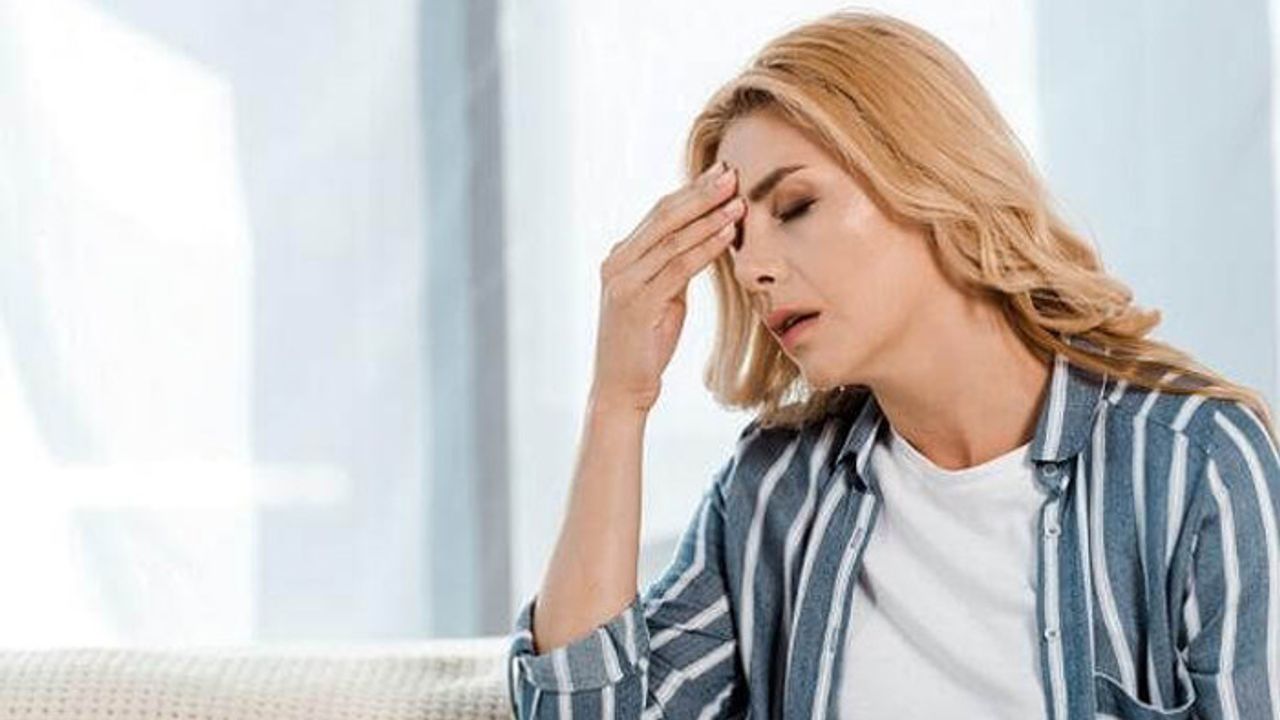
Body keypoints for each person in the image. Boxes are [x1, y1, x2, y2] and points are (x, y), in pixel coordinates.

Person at [505, 9, 1280, 719]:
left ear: (931, 178)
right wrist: (619, 401)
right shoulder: (775, 493)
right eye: (734, 241)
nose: (752, 270)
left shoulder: (1195, 466)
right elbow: (583, 713)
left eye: (795, 207)